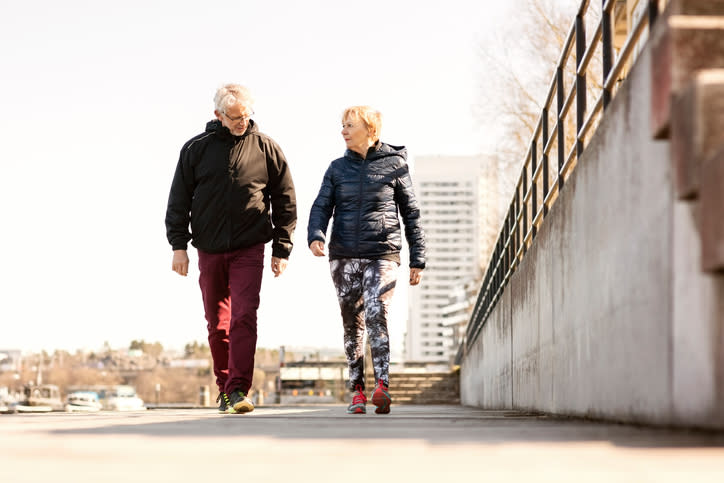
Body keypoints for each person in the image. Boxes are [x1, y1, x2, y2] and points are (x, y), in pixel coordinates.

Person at [165, 84, 297, 414]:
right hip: (208, 249)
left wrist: (282, 247)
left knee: (244, 316)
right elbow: (178, 201)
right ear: (218, 115)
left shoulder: (267, 148)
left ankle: (238, 389)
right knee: (217, 323)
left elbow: (285, 199)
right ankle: (224, 388)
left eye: (246, 116)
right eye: (235, 117)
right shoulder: (195, 149)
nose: (242, 122)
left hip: (249, 247)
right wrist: (178, 246)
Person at [307, 106, 425, 414]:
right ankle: (357, 390)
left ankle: (382, 386)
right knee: (352, 322)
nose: (343, 131)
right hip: (344, 253)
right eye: (342, 125)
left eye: (349, 125)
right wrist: (315, 234)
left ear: (370, 130)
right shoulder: (336, 169)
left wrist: (417, 258)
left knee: (376, 311)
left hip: (382, 252)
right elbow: (321, 205)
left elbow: (411, 213)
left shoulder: (395, 165)